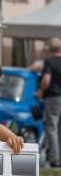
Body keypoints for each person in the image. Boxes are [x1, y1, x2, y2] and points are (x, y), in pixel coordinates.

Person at [38, 38, 61, 167]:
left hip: (53, 98)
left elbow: (46, 80)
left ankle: (55, 159)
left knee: (52, 127)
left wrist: (41, 90)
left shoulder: (50, 62)